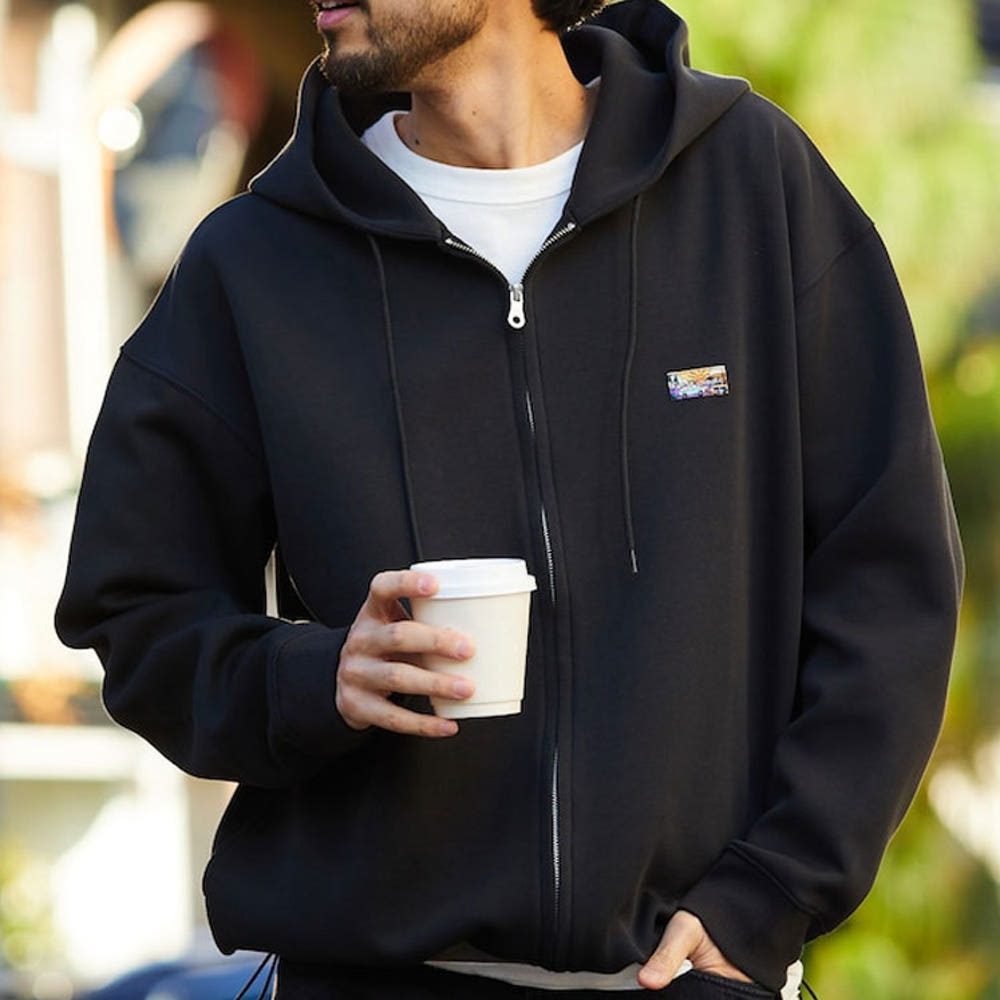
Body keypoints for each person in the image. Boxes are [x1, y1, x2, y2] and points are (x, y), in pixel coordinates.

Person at [55, 0, 964, 998]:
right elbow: (136, 609)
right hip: (378, 977)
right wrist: (313, 678)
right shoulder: (257, 262)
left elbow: (888, 578)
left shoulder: (750, 187)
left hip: (686, 975)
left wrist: (773, 889)